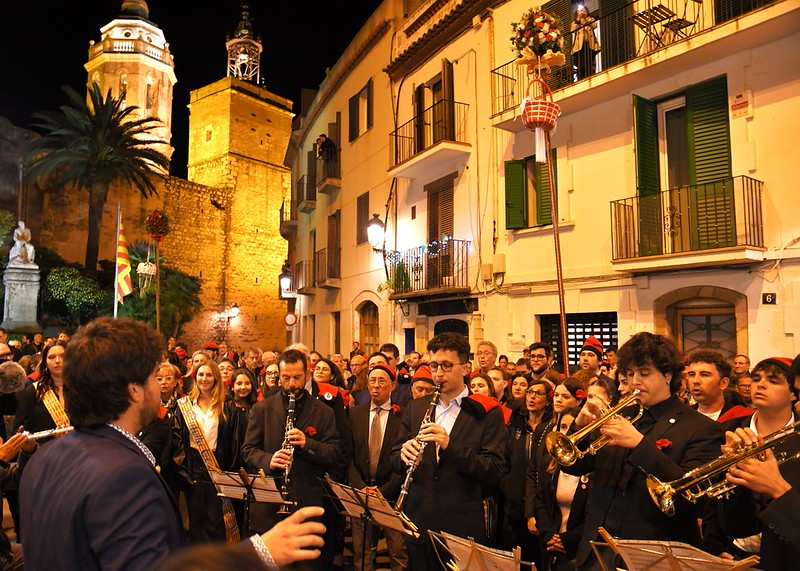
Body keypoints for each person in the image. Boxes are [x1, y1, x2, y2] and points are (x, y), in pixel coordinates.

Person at [19, 317, 326, 571]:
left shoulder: (44, 460)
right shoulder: (124, 477)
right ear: (134, 391)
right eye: (155, 376)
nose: (162, 384)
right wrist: (259, 553)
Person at [563, 332, 724, 571]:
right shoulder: (620, 415)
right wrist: (580, 427)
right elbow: (574, 465)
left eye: (644, 373)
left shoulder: (702, 428)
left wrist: (640, 445)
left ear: (668, 375)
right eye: (629, 374)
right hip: (596, 554)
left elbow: (692, 499)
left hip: (654, 556)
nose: (634, 381)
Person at [392, 333, 507, 570]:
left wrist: (449, 445)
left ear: (465, 368)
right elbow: (394, 457)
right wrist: (403, 453)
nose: (438, 374)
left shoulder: (486, 412)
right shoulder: (417, 407)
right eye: (434, 366)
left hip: (461, 525)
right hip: (418, 522)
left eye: (447, 365)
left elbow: (494, 470)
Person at [243, 349, 341, 570]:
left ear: (307, 375)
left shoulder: (324, 412)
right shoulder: (262, 409)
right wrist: (269, 460)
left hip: (307, 503)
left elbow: (334, 453)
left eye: (297, 377)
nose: (291, 384)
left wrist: (308, 444)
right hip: (269, 505)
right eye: (285, 378)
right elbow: (248, 450)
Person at [348, 364, 408, 571]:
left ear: (393, 386)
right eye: (372, 381)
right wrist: (360, 487)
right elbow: (348, 457)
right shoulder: (355, 414)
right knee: (362, 552)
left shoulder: (402, 417)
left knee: (398, 552)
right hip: (360, 492)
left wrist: (383, 491)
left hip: (389, 494)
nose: (376, 386)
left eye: (382, 381)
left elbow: (405, 461)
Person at [173, 360, 237, 543]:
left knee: (217, 522)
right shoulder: (184, 405)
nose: (204, 379)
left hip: (218, 468)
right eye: (201, 374)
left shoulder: (227, 405)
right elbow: (177, 442)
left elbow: (233, 441)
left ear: (216, 378)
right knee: (196, 523)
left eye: (209, 375)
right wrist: (184, 473)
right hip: (193, 469)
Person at [501, 378, 553, 565]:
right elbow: (504, 459)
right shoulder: (515, 423)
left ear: (548, 401)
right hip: (513, 502)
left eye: (538, 393)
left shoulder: (551, 427)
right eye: (530, 392)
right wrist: (508, 485)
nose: (532, 397)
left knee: (539, 559)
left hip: (540, 503)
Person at [570, 7, 600, 80]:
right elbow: (573, 29)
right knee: (582, 64)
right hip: (580, 47)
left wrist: (586, 18)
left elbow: (594, 25)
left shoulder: (590, 20)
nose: (582, 11)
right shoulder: (575, 22)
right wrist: (578, 18)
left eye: (584, 10)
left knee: (590, 62)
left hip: (590, 45)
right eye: (580, 10)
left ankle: (591, 76)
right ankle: (582, 78)